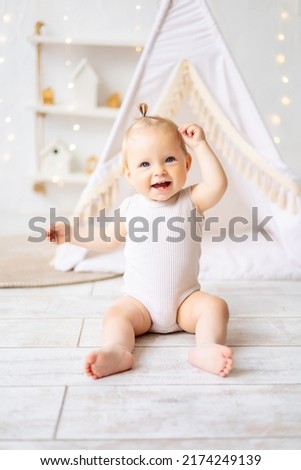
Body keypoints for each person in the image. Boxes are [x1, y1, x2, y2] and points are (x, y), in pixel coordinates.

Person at [47, 103, 233, 380]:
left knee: (216, 307)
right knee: (115, 315)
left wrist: (201, 144)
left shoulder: (191, 200)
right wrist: (72, 235)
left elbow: (218, 184)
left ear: (187, 163)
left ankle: (206, 348)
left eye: (169, 159)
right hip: (140, 303)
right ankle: (117, 351)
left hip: (185, 303)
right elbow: (107, 238)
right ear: (129, 174)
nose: (159, 171)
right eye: (145, 164)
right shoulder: (131, 208)